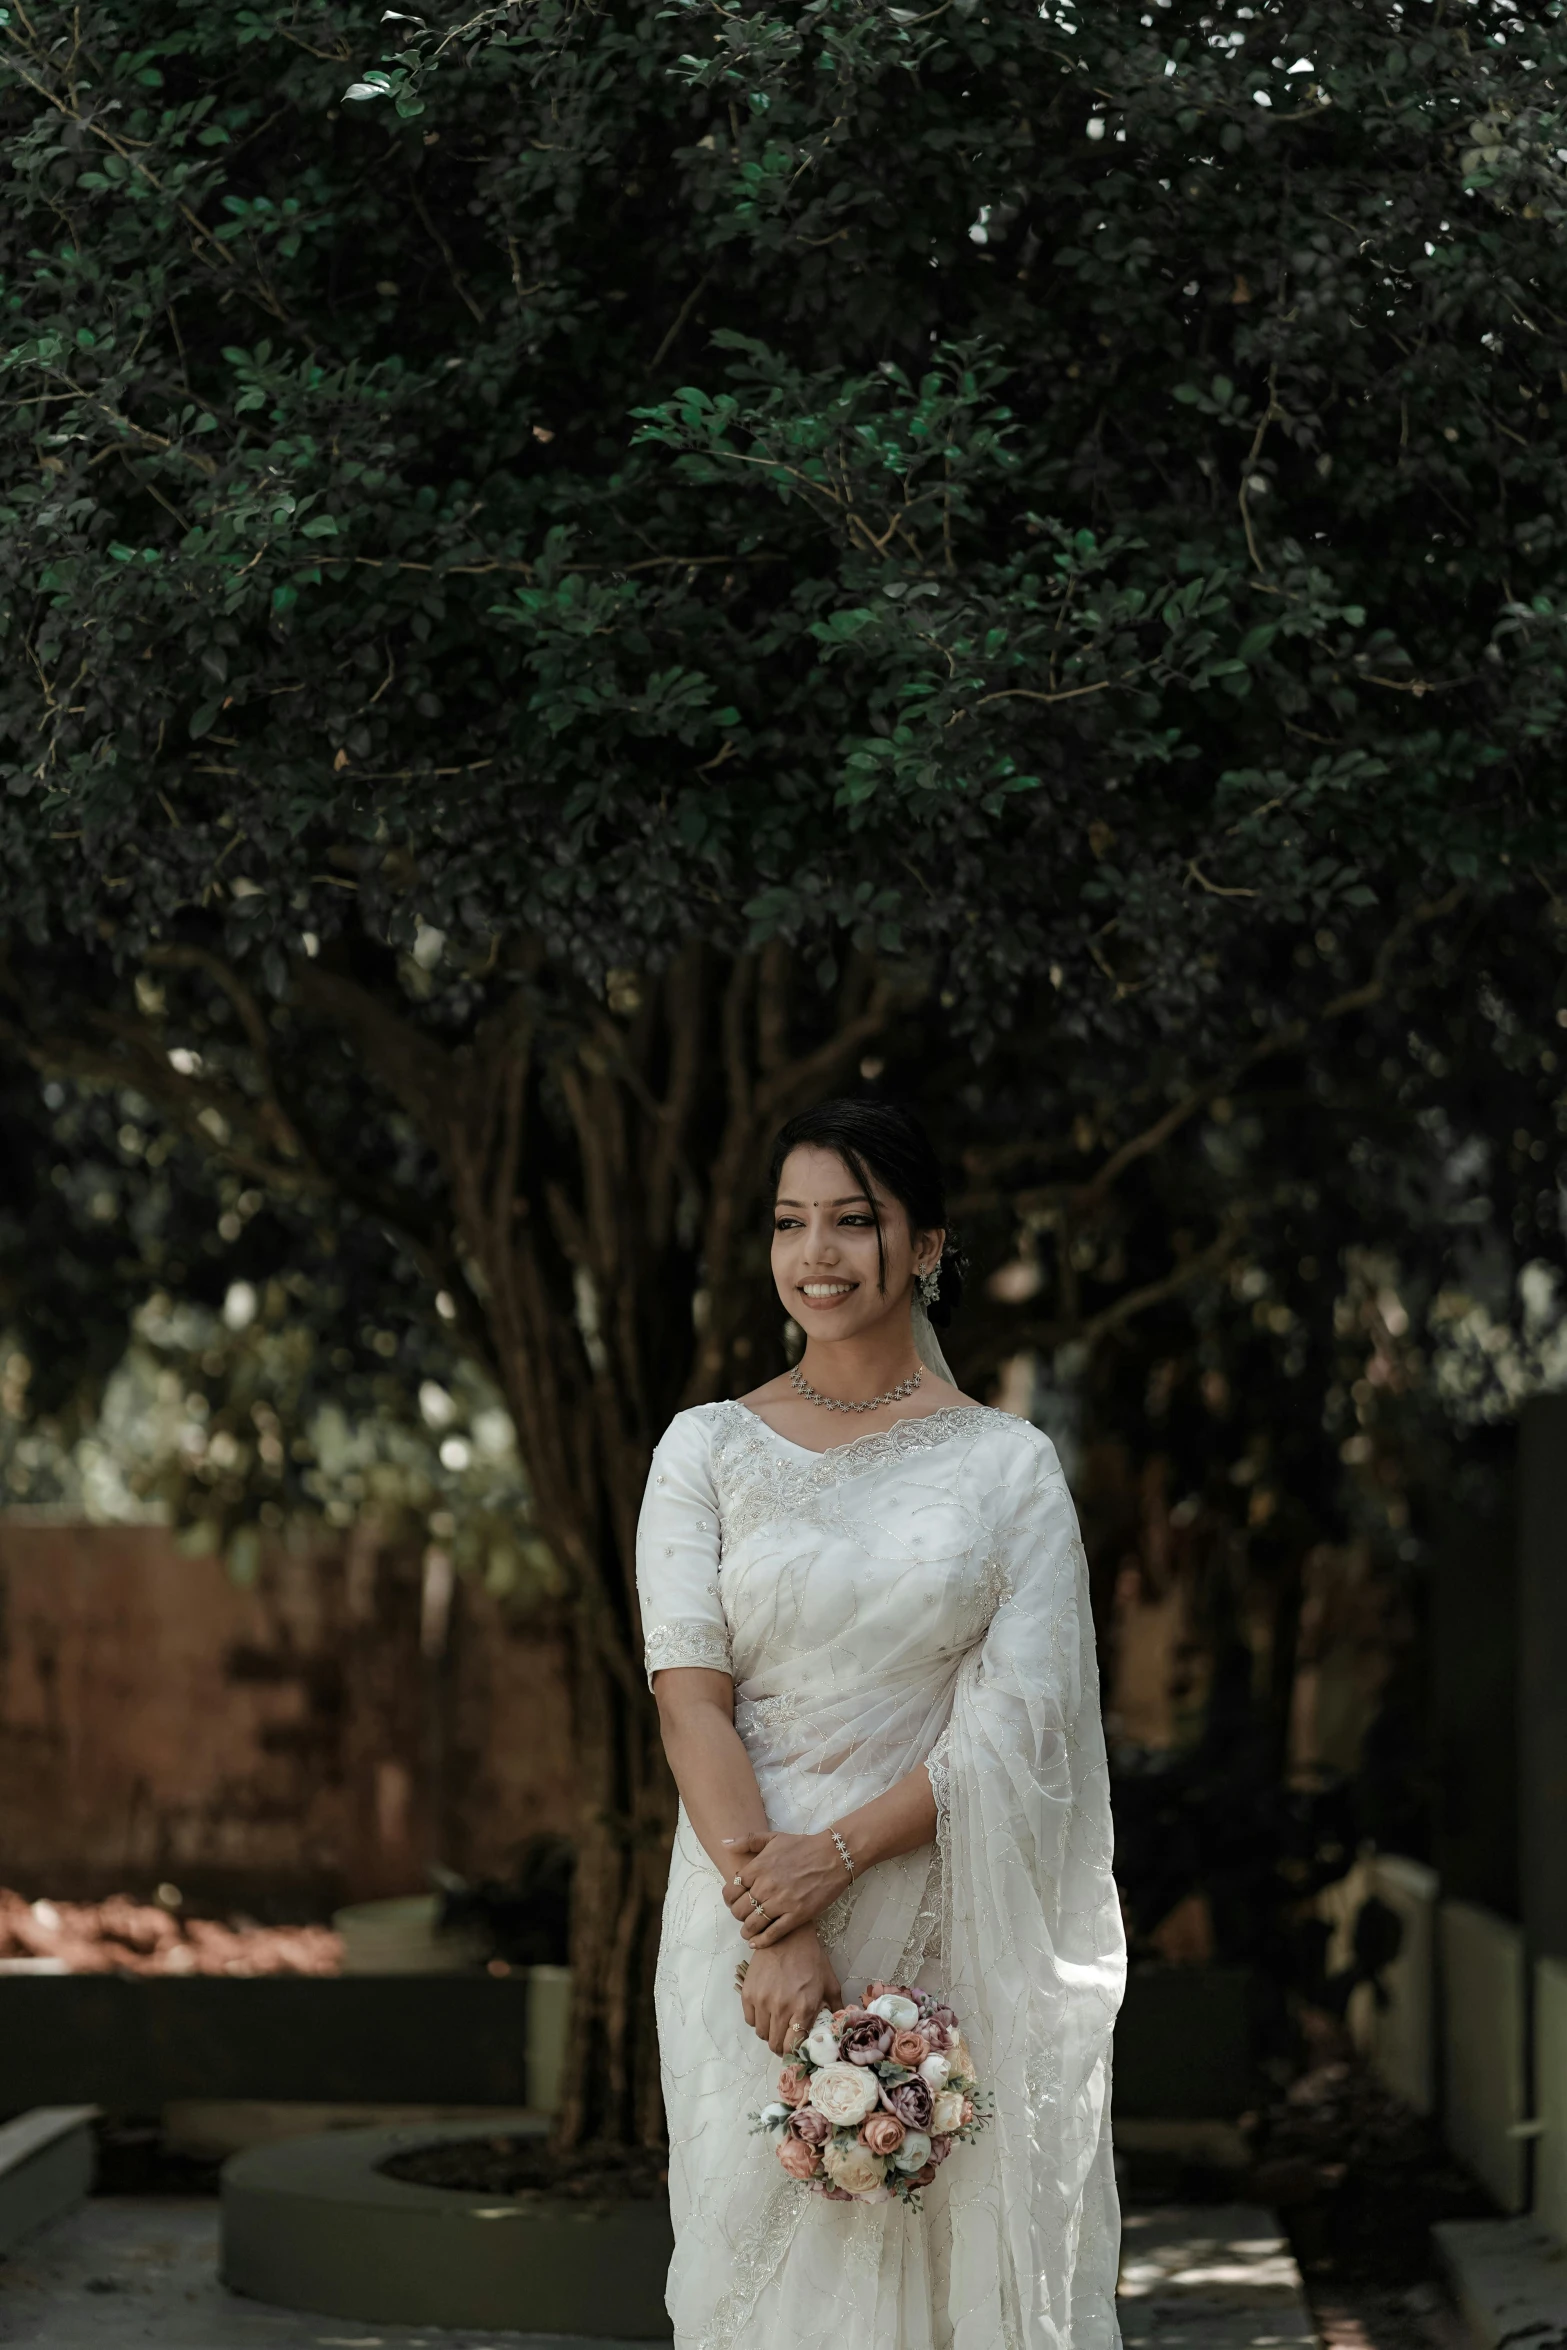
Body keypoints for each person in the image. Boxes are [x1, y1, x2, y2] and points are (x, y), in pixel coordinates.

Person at [636, 1097, 1125, 2350]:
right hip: (744, 1928)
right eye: (792, 1222)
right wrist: (777, 1914)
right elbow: (690, 1696)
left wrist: (838, 1857)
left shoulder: (1006, 1467)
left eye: (855, 1221)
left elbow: (1023, 1726)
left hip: (940, 1914)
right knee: (747, 2277)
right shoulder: (703, 1450)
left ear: (925, 1246)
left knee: (941, 2262)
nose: (819, 1253)